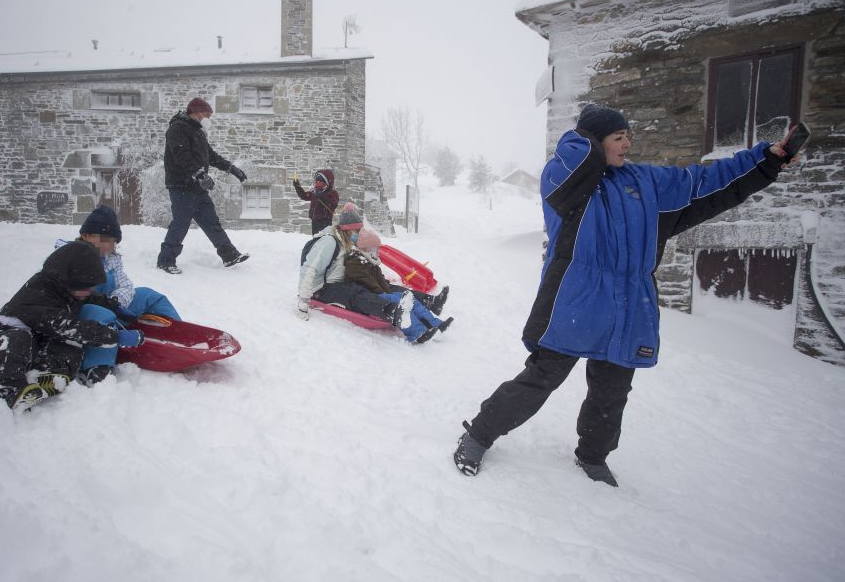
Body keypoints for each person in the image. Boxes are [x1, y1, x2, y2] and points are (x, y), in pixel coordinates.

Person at [453, 103, 793, 486]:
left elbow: (704, 181)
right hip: (576, 300)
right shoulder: (567, 180)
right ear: (594, 142)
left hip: (628, 306)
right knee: (541, 379)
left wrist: (765, 161)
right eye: (618, 137)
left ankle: (593, 457)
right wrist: (589, 136)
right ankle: (478, 436)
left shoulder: (645, 182)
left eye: (628, 136)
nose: (628, 143)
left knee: (612, 392)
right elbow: (573, 158)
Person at [0, 241, 145, 412]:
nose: (89, 291)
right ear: (69, 280)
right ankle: (7, 389)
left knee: (71, 347)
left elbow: (89, 297)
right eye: (86, 287)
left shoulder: (67, 288)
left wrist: (114, 306)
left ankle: (48, 375)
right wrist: (115, 336)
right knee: (15, 343)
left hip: (42, 335)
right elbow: (70, 327)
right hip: (7, 334)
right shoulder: (38, 294)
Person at [58, 205, 181, 386]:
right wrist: (105, 306)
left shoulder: (111, 259)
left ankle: (178, 334)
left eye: (113, 241)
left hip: (112, 305)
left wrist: (115, 301)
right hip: (83, 314)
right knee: (102, 315)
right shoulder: (69, 256)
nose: (109, 245)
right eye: (103, 239)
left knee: (148, 295)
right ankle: (97, 366)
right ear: (85, 236)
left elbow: (125, 285)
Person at [297, 203, 421, 342]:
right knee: (354, 293)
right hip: (321, 288)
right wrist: (303, 300)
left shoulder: (347, 241)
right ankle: (391, 310)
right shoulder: (329, 242)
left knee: (370, 286)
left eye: (360, 229)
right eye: (356, 230)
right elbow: (309, 268)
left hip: (341, 282)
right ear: (346, 229)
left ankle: (420, 303)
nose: (359, 233)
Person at [156, 97, 250, 274]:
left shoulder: (197, 131)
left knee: (211, 222)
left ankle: (229, 255)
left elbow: (211, 156)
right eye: (207, 115)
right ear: (197, 112)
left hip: (197, 188)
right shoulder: (178, 128)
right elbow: (181, 155)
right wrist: (200, 174)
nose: (208, 119)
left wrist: (231, 168)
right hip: (181, 186)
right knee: (181, 223)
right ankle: (165, 261)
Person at [345, 228, 454, 343]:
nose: (377, 251)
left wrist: (388, 291)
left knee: (410, 299)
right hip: (369, 296)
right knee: (399, 301)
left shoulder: (370, 261)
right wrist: (387, 293)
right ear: (365, 248)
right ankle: (417, 332)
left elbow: (380, 279)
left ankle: (434, 324)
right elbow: (367, 283)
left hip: (377, 292)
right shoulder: (354, 263)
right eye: (375, 248)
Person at [293, 169, 339, 235]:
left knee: (323, 240)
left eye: (321, 182)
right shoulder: (315, 192)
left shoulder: (333, 193)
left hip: (325, 222)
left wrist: (321, 195)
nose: (318, 183)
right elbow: (304, 196)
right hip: (314, 221)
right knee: (315, 239)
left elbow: (333, 205)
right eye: (317, 181)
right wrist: (297, 186)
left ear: (327, 183)